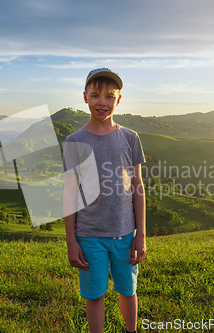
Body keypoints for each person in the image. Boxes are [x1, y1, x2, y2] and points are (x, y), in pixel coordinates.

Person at [63, 68, 146, 333]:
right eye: (96, 95)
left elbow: (138, 186)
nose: (102, 102)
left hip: (124, 233)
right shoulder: (74, 141)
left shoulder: (130, 138)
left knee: (127, 289)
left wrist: (140, 234)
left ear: (118, 100)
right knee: (94, 295)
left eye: (110, 96)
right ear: (85, 97)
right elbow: (69, 192)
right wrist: (71, 240)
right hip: (89, 235)